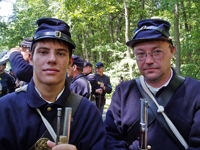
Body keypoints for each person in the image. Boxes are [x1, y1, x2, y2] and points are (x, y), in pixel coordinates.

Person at [0, 17, 107, 150]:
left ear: (70, 62)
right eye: (43, 52)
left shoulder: (87, 112)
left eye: (60, 53)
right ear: (31, 58)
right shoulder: (5, 109)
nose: (52, 59)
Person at [104, 18, 200, 150]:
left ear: (172, 52)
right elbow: (110, 139)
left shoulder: (195, 92)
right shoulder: (123, 92)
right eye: (141, 54)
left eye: (157, 52)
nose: (148, 60)